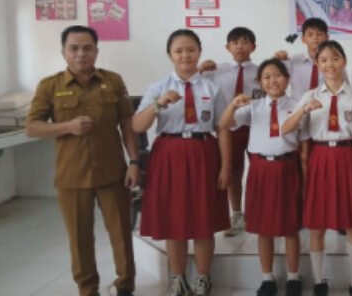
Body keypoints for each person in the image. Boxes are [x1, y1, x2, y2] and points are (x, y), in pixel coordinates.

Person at [26, 25, 138, 296]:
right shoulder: (50, 86)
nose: (81, 54)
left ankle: (125, 285)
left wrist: (134, 162)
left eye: (87, 48)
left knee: (121, 234)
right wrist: (67, 127)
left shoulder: (113, 81)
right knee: (80, 239)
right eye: (73, 48)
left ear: (96, 51)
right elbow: (32, 127)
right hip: (72, 176)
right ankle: (88, 289)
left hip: (112, 173)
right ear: (63, 52)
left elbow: (127, 123)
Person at [133, 29, 230, 296]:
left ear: (199, 52)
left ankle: (203, 278)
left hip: (203, 152)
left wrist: (226, 166)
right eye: (179, 51)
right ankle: (177, 278)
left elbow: (222, 128)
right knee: (173, 219)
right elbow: (137, 125)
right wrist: (157, 104)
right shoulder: (158, 87)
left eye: (190, 50)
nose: (185, 55)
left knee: (204, 220)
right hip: (169, 154)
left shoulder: (212, 88)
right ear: (170, 55)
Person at [282, 40, 352, 296]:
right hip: (320, 158)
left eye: (334, 58)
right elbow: (285, 129)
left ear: (344, 61)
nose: (329, 64)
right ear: (317, 64)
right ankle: (320, 280)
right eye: (323, 60)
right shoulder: (310, 95)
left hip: (348, 157)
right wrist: (303, 110)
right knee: (317, 224)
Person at [218, 58, 308, 296]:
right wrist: (233, 106)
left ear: (287, 79)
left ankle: (293, 276)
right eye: (266, 77)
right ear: (259, 82)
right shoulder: (253, 106)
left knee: (291, 227)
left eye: (278, 75)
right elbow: (224, 124)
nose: (272, 81)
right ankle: (267, 277)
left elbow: (304, 144)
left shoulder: (298, 106)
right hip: (260, 170)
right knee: (263, 227)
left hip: (287, 167)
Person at [199, 26, 261, 237]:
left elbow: (266, 95)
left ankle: (258, 212)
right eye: (235, 43)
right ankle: (237, 214)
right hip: (228, 128)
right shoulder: (215, 71)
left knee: (258, 170)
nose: (240, 46)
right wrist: (201, 69)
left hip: (255, 126)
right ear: (228, 47)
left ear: (253, 46)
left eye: (245, 42)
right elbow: (195, 84)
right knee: (233, 171)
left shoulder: (261, 72)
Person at [275, 18, 330, 98]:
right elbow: (277, 82)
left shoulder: (334, 62)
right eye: (310, 34)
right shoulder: (293, 61)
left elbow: (343, 87)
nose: (315, 37)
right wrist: (279, 60)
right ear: (303, 39)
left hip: (325, 105)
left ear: (327, 37)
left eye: (319, 34)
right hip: (298, 105)